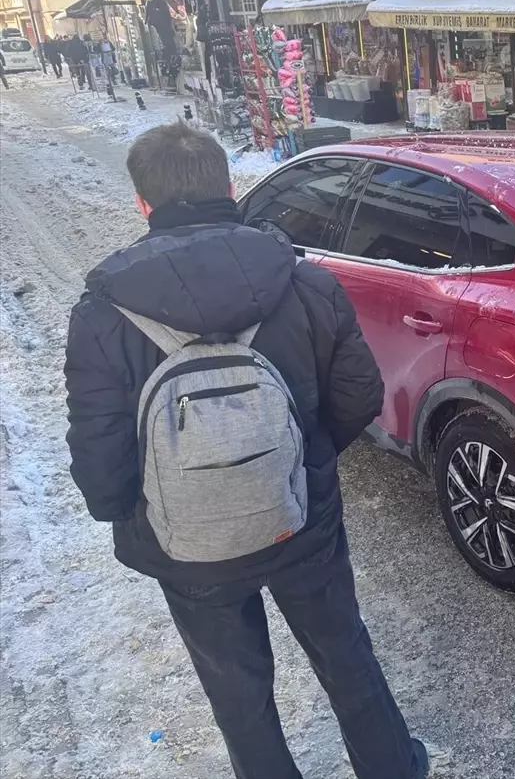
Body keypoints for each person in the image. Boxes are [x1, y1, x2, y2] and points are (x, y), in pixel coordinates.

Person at [64, 122, 429, 779]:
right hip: (299, 517)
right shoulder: (304, 282)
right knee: (347, 659)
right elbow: (359, 394)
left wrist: (135, 510)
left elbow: (99, 453)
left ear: (142, 204)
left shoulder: (102, 314)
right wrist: (305, 461)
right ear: (229, 187)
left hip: (186, 543)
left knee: (239, 697)